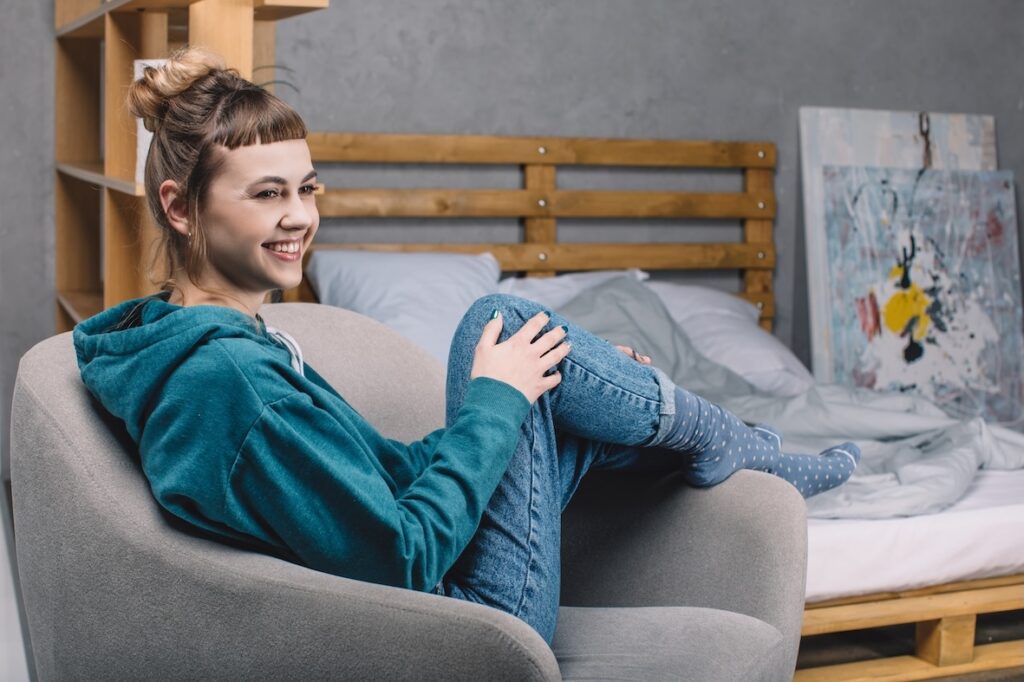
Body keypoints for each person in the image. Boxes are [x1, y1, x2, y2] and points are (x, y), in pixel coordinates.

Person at [74, 48, 860, 644]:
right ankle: (732, 441)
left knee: (545, 377)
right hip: (466, 630)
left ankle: (707, 441)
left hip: (432, 597)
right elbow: (403, 556)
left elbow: (379, 483)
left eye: (307, 188)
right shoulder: (231, 384)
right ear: (180, 208)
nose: (300, 217)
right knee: (501, 325)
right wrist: (495, 398)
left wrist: (518, 398)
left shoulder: (207, 344)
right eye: (267, 194)